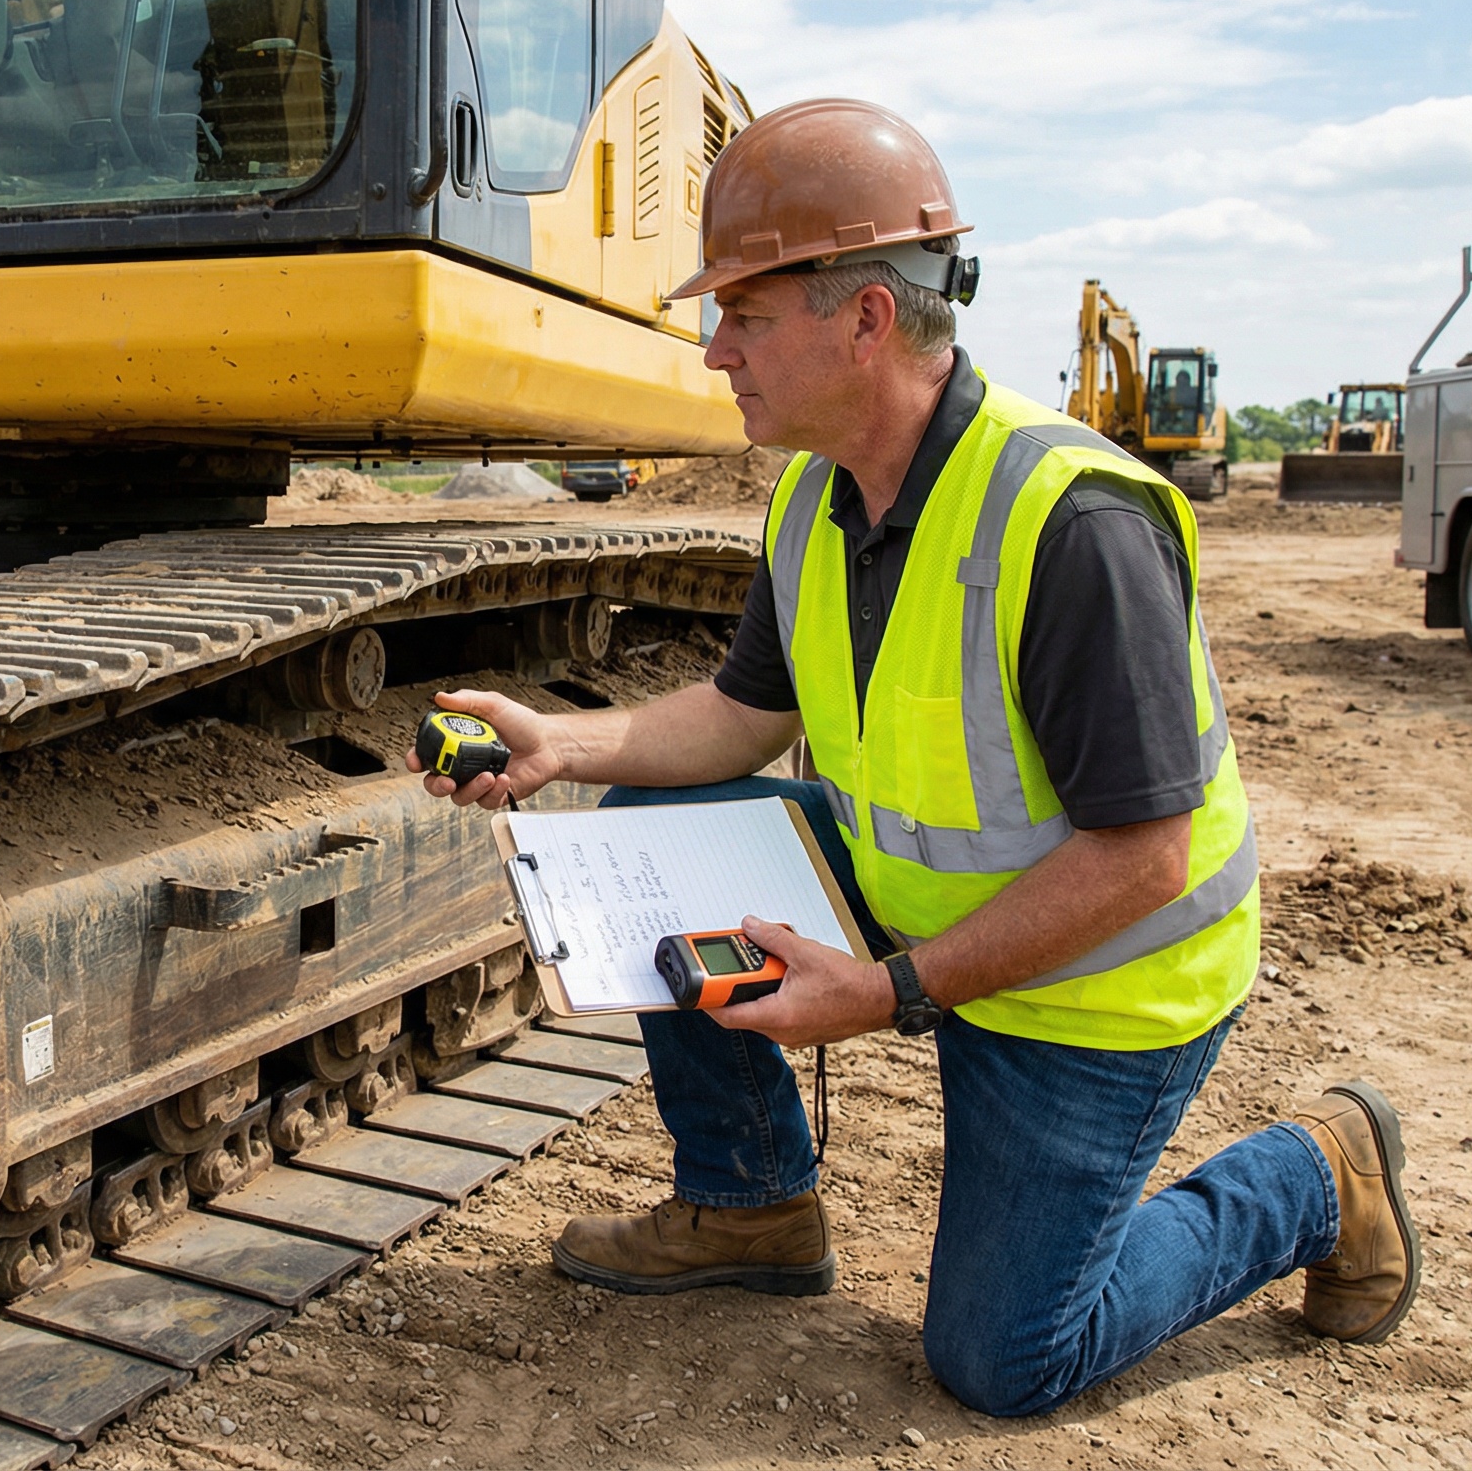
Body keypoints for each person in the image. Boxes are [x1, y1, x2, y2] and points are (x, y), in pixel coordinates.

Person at [409, 99, 1420, 1417]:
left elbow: (1144, 860)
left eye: (748, 317)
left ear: (868, 318)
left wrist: (887, 993)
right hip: (925, 913)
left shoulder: (1074, 520)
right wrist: (568, 748)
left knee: (1004, 1362)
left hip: (1101, 980)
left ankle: (1317, 1174)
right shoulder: (814, 500)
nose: (718, 352)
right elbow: (740, 720)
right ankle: (751, 1208)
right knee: (653, 812)